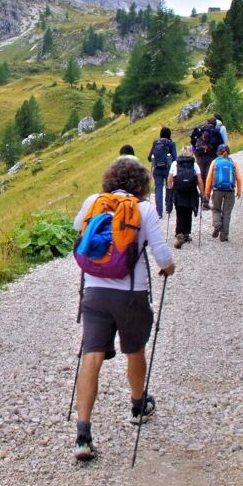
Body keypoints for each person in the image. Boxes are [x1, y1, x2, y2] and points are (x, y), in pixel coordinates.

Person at [72, 158, 176, 461]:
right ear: (141, 184)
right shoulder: (143, 209)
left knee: (91, 356)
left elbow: (79, 229)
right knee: (135, 350)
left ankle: (83, 433)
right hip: (131, 293)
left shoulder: (95, 201)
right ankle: (137, 405)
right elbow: (161, 252)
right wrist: (168, 268)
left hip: (93, 291)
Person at [205, 144, 243, 242]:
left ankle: (217, 224)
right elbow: (238, 178)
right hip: (230, 191)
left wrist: (207, 192)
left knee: (216, 209)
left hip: (217, 190)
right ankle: (224, 236)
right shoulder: (233, 162)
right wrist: (239, 190)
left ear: (218, 152)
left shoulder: (215, 162)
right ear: (229, 152)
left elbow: (209, 178)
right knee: (227, 213)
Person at [167, 146, 203, 248]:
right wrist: (203, 193)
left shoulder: (175, 164)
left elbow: (170, 179)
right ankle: (186, 234)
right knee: (188, 211)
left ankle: (180, 233)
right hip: (191, 193)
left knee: (180, 212)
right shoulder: (194, 165)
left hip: (179, 192)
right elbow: (200, 181)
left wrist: (170, 188)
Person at [192, 118, 223, 209]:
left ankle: (204, 200)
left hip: (200, 157)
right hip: (211, 157)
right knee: (210, 178)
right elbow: (221, 145)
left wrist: (196, 152)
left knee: (202, 178)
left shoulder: (200, 130)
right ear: (215, 124)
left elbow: (193, 143)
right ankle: (211, 199)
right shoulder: (216, 131)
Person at [147, 127, 177, 218]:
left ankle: (159, 212)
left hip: (157, 169)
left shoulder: (155, 142)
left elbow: (149, 158)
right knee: (169, 186)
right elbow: (175, 157)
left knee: (158, 189)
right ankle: (168, 207)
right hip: (168, 168)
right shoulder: (171, 143)